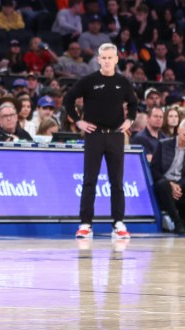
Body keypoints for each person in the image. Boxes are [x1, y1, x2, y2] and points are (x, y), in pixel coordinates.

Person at [63, 43, 139, 240]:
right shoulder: (89, 80)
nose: (106, 61)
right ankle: (86, 224)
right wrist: (78, 121)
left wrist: (129, 120)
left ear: (116, 59)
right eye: (103, 58)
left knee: (117, 182)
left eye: (109, 58)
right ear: (98, 59)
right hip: (94, 134)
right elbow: (68, 99)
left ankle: (118, 223)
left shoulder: (123, 82)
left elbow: (133, 103)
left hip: (115, 135)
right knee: (90, 180)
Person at [151, 118, 185, 234]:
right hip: (163, 183)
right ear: (179, 129)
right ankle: (177, 222)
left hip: (180, 184)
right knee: (163, 184)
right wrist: (171, 185)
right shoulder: (163, 144)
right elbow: (154, 171)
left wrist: (177, 186)